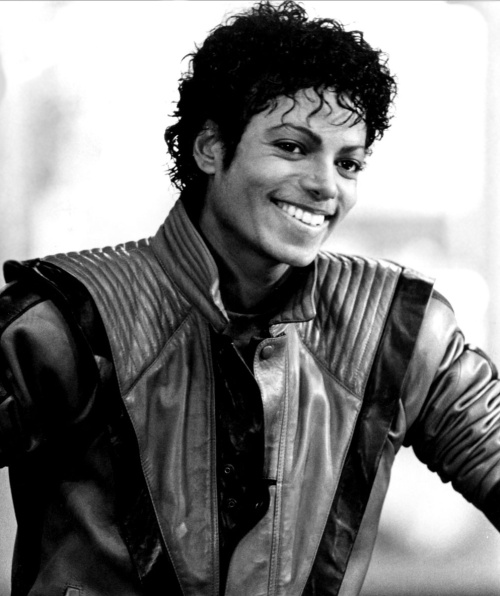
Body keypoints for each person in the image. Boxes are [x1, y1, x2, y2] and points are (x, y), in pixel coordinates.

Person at [0, 1, 499, 595]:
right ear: (210, 147)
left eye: (348, 162)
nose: (326, 185)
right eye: (292, 147)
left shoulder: (398, 327)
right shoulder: (69, 320)